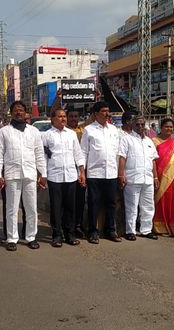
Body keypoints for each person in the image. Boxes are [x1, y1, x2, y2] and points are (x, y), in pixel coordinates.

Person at [0, 101, 46, 251]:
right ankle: (12, 238)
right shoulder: (4, 131)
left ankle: (31, 237)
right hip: (12, 174)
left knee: (31, 207)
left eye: (21, 110)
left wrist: (43, 173)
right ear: (11, 113)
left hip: (30, 173)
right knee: (11, 208)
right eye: (16, 110)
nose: (19, 112)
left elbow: (39, 154)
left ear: (25, 113)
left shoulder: (34, 131)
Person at [42, 107, 85, 247]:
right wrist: (43, 175)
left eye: (64, 116)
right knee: (56, 207)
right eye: (60, 116)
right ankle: (57, 235)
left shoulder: (71, 134)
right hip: (54, 176)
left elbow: (78, 154)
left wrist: (82, 172)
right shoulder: (46, 135)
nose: (63, 119)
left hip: (71, 176)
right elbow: (43, 157)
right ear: (52, 119)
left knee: (70, 207)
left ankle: (69, 234)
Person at [81, 102, 121, 243]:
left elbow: (117, 152)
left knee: (111, 203)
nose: (106, 114)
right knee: (94, 203)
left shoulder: (114, 130)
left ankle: (111, 230)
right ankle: (93, 231)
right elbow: (84, 153)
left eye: (107, 111)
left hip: (111, 173)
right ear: (96, 114)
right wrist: (83, 173)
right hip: (95, 173)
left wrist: (120, 173)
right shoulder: (89, 130)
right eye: (103, 111)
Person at [118, 114, 159, 241]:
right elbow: (122, 158)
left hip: (147, 178)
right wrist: (121, 175)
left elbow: (153, 160)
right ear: (132, 125)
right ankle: (130, 231)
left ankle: (146, 230)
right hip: (132, 178)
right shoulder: (127, 139)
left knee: (148, 206)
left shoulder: (149, 141)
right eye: (137, 124)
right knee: (132, 206)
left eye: (142, 124)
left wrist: (156, 177)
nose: (140, 126)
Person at [66, 107, 87, 238]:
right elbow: (54, 112)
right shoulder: (62, 130)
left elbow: (93, 117)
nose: (73, 119)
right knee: (66, 202)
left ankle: (77, 226)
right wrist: (58, 98)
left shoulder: (83, 129)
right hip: (66, 171)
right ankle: (66, 227)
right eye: (71, 116)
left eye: (76, 116)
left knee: (79, 200)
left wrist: (96, 96)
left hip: (80, 170)